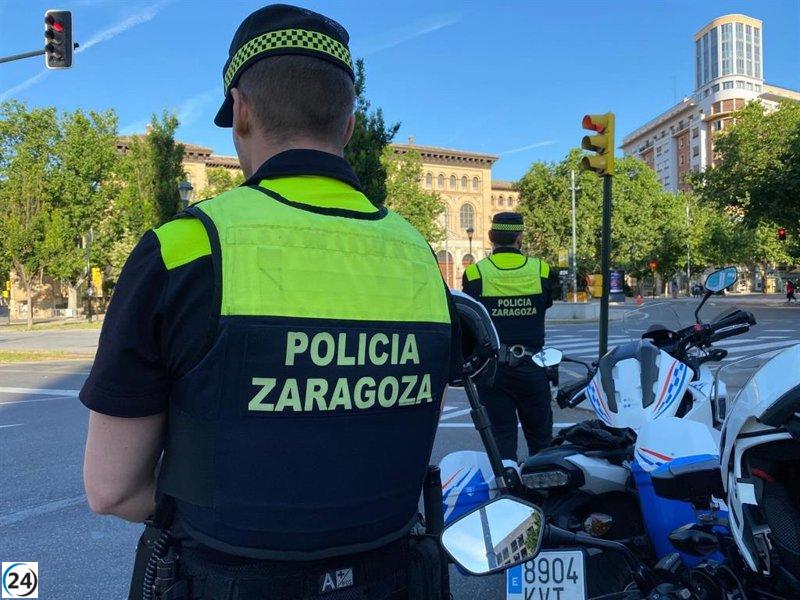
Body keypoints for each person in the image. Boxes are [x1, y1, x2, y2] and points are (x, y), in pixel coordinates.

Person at [80, 5, 459, 599]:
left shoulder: (184, 249)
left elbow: (113, 489)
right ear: (351, 125)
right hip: (394, 580)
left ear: (242, 111)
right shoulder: (419, 256)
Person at [462, 212, 555, 461]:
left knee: (501, 442)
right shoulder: (542, 270)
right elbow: (546, 303)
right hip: (533, 367)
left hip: (493, 372)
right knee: (541, 440)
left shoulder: (475, 274)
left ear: (492, 238)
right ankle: (546, 492)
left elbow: (470, 319)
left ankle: (508, 494)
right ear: (520, 237)